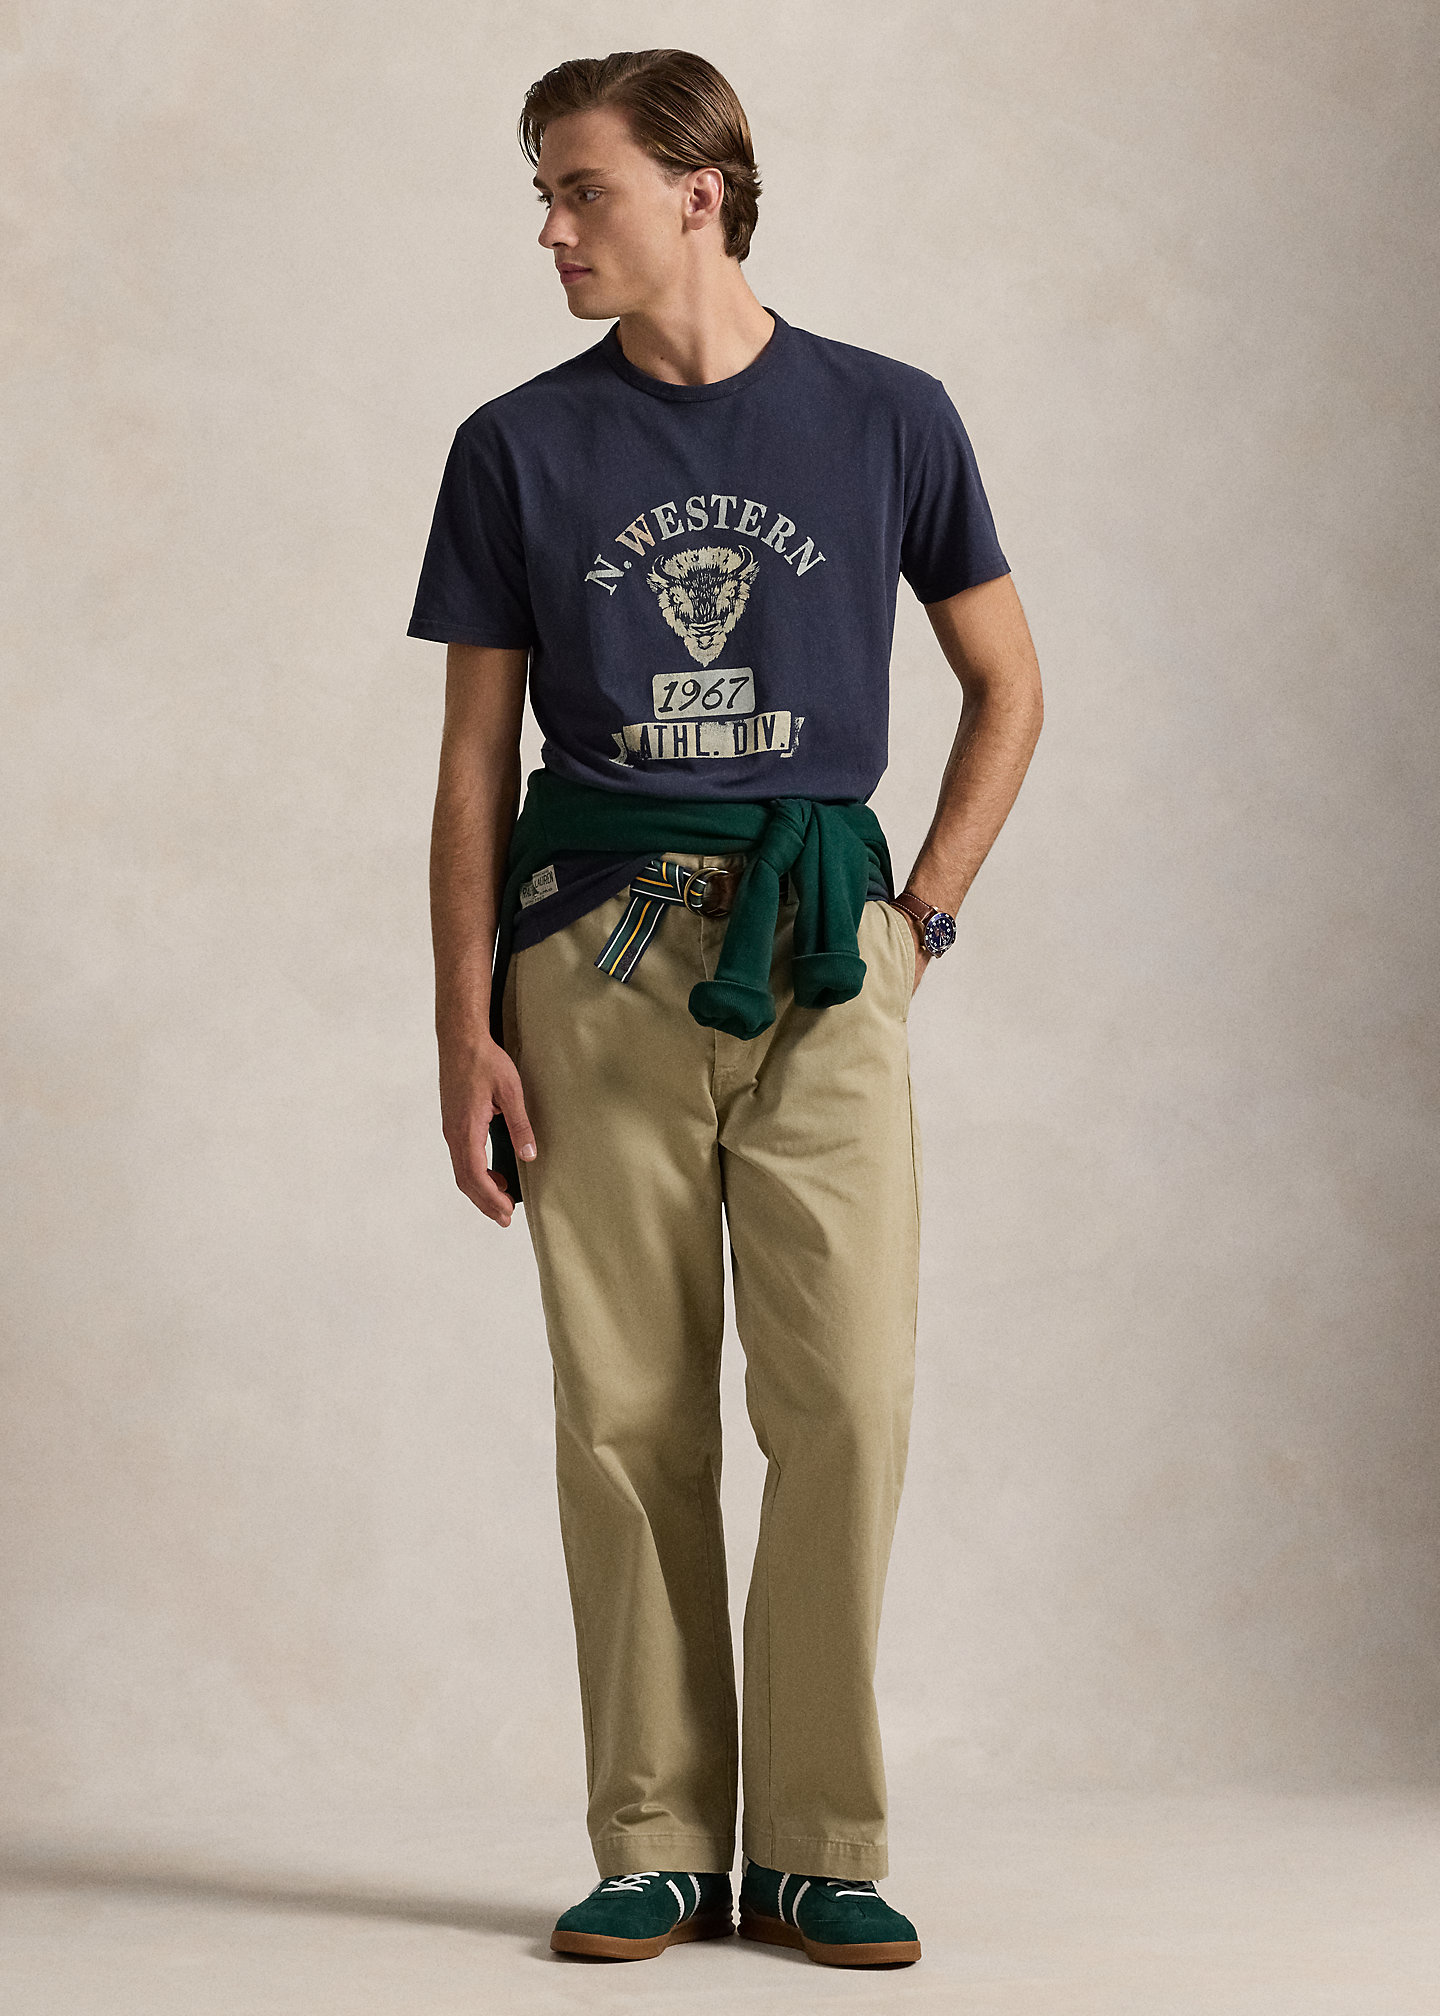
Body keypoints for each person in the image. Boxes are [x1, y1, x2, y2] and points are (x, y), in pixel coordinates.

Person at [408, 48, 1043, 1969]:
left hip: (826, 949)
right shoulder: (516, 447)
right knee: (625, 1409)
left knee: (847, 1396)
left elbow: (1010, 684)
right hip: (589, 957)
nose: (549, 228)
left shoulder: (887, 415)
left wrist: (924, 918)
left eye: (580, 189)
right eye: (543, 192)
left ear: (700, 191)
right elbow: (473, 760)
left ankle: (822, 1840)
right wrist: (460, 1020)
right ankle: (661, 1837)